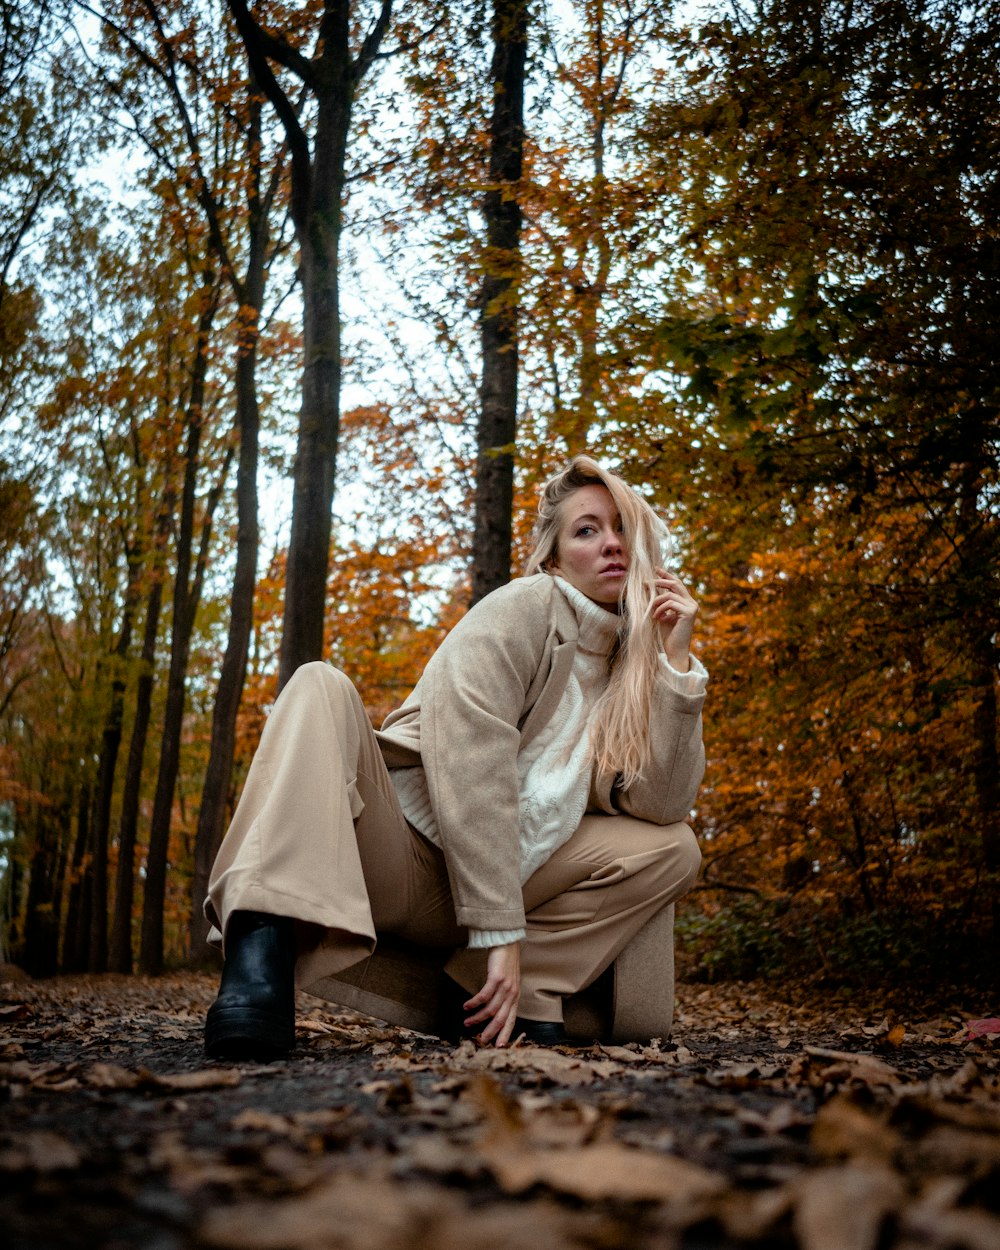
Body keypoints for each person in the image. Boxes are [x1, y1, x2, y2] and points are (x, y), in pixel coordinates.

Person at [203, 454, 707, 1059]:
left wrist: (675, 667)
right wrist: (501, 928)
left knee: (675, 846)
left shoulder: (635, 670)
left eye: (623, 528)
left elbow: (661, 804)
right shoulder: (524, 607)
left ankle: (501, 995)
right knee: (317, 685)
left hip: (512, 887)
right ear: (553, 557)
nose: (611, 545)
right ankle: (259, 947)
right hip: (409, 858)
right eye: (587, 529)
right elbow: (475, 758)